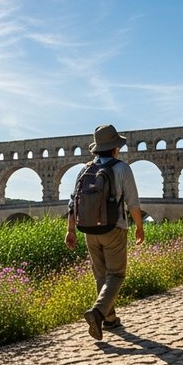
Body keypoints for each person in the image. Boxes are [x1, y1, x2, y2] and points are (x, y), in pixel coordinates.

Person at [65, 124, 145, 340]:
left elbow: (73, 203)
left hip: (88, 229)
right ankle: (98, 312)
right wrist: (139, 227)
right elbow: (133, 203)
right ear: (115, 148)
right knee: (116, 274)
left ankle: (109, 319)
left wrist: (70, 230)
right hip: (114, 228)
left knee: (100, 275)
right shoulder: (122, 168)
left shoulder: (85, 169)